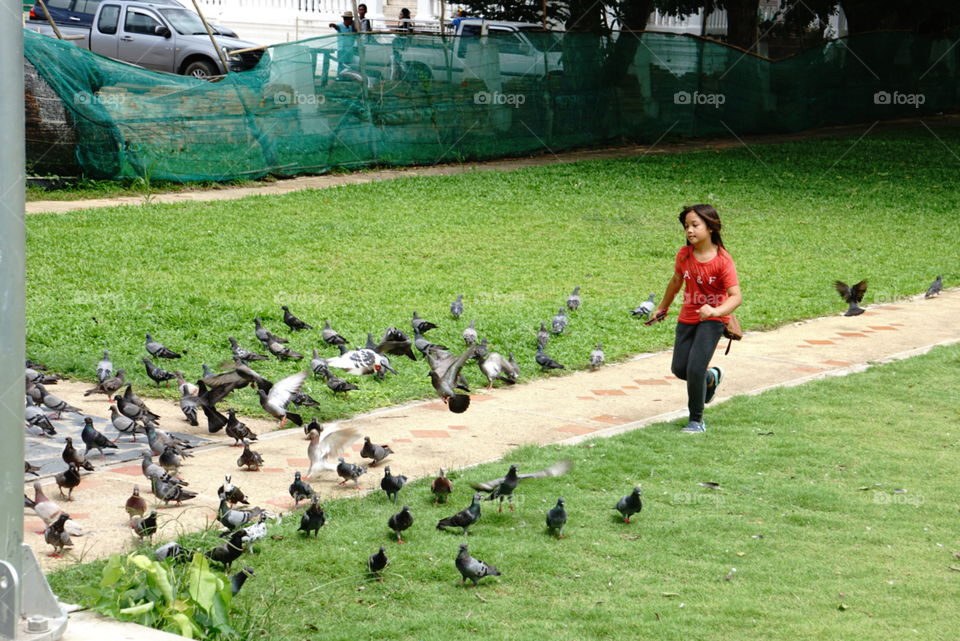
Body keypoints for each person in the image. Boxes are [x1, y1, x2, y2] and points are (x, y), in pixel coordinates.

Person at [653, 204, 742, 434]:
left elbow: (736, 297)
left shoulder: (723, 260)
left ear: (710, 227)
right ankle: (710, 378)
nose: (689, 231)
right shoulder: (684, 255)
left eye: (695, 225)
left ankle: (696, 420)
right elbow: (675, 281)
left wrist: (715, 312)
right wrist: (663, 307)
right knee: (680, 368)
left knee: (694, 369)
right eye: (686, 226)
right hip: (687, 317)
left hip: (713, 321)